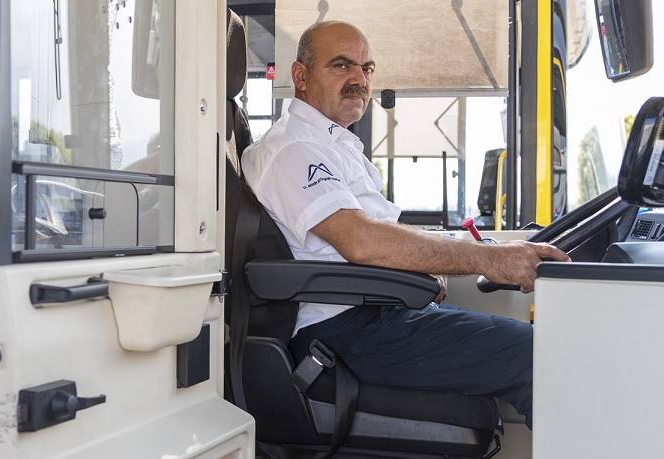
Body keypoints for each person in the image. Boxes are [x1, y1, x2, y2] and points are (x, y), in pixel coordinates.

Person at [240, 21, 568, 422]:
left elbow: (375, 230)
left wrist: (429, 254)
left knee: (534, 346)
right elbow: (360, 241)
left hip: (376, 313)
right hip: (343, 329)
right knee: (539, 358)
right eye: (342, 66)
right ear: (301, 76)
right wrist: (489, 258)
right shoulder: (293, 148)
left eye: (367, 68)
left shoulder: (332, 144)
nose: (359, 79)